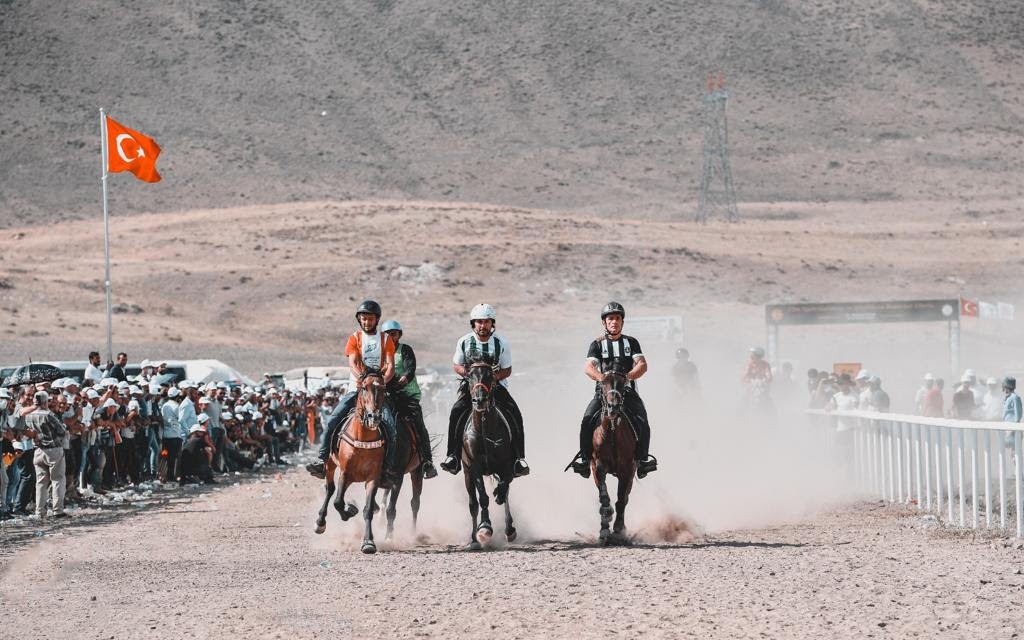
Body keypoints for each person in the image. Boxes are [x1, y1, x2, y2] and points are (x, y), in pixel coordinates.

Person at [307, 300, 398, 480]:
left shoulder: (386, 340)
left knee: (391, 427)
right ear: (359, 320)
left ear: (376, 320)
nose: (366, 322)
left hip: (377, 392)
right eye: (363, 319)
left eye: (370, 319)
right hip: (355, 390)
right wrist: (363, 379)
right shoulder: (354, 338)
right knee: (333, 419)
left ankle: (387, 470)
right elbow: (353, 363)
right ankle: (322, 460)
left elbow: (390, 366)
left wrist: (381, 382)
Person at [440, 303, 530, 477]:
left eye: (486, 322)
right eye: (479, 322)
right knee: (456, 412)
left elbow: (507, 369)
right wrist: (468, 374)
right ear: (473, 323)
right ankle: (452, 456)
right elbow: (456, 365)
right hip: (472, 387)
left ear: (492, 323)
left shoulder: (501, 342)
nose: (482, 325)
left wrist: (491, 378)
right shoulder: (464, 341)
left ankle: (519, 458)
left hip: (495, 388)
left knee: (515, 413)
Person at [571, 302, 657, 478]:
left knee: (642, 421)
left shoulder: (631, 342)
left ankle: (642, 460)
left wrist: (628, 377)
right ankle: (585, 460)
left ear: (622, 322)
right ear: (604, 322)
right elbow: (589, 366)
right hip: (603, 394)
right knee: (587, 420)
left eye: (618, 318)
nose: (614, 321)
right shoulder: (596, 344)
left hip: (627, 393)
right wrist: (601, 378)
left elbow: (642, 364)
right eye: (610, 318)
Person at [380, 320, 437, 479]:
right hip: (384, 394)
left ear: (399, 335)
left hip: (405, 394)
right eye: (388, 335)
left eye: (394, 334)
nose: (391, 337)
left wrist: (403, 379)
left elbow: (410, 368)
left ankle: (427, 461)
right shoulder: (379, 353)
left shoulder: (405, 350)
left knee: (418, 423)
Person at [25, 391, 69, 520]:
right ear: (45, 402)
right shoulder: (49, 414)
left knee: (40, 483)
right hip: (54, 450)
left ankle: (39, 511)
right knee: (58, 480)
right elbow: (61, 430)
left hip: (38, 450)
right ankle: (57, 510)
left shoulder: (29, 416)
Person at [161, 388, 184, 481]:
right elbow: (181, 419)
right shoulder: (176, 406)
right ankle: (171, 476)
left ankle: (164, 475)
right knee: (173, 457)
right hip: (175, 435)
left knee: (166, 456)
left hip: (166, 434)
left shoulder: (164, 405)